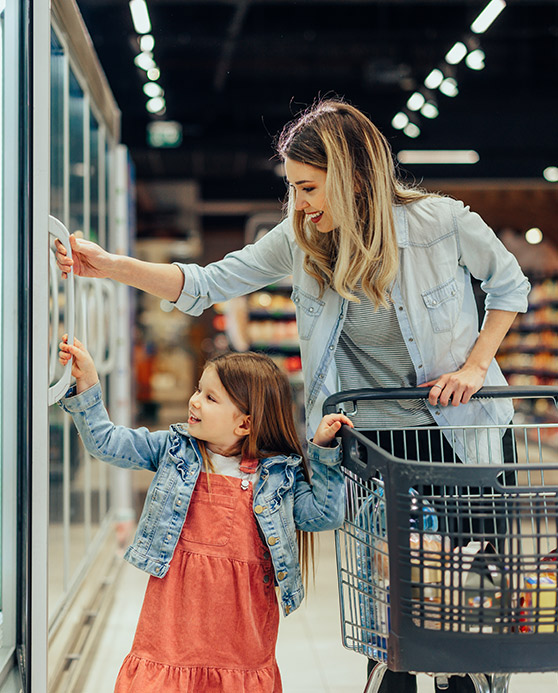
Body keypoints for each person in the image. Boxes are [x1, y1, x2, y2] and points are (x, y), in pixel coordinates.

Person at [56, 97, 530, 691]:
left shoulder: (442, 222)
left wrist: (476, 364)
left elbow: (510, 284)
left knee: (470, 592)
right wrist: (109, 267)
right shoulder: (302, 240)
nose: (299, 204)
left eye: (308, 187)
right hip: (375, 442)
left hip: (465, 429)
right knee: (394, 596)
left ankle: (467, 681)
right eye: (293, 190)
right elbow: (207, 282)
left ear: (354, 176)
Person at [58, 335, 352, 693]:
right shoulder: (173, 449)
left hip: (241, 626)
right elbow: (106, 441)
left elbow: (325, 514)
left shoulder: (278, 475)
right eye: (199, 390)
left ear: (244, 423)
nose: (194, 400)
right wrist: (87, 382)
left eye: (210, 397)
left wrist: (322, 450)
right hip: (172, 614)